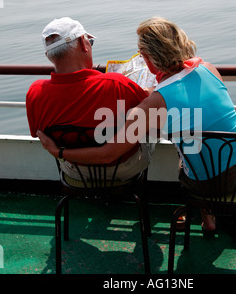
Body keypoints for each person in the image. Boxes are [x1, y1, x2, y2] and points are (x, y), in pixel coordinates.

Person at [37, 17, 236, 231]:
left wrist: (59, 151)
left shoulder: (152, 105)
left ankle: (208, 220)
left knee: (184, 156)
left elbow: (108, 153)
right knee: (194, 140)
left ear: (149, 58)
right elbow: (192, 96)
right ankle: (211, 220)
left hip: (208, 185)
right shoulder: (208, 68)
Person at [26, 17, 152, 181]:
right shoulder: (117, 84)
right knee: (149, 123)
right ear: (83, 44)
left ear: (49, 55)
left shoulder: (35, 93)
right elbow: (151, 112)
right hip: (122, 168)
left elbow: (39, 135)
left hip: (75, 170)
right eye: (89, 42)